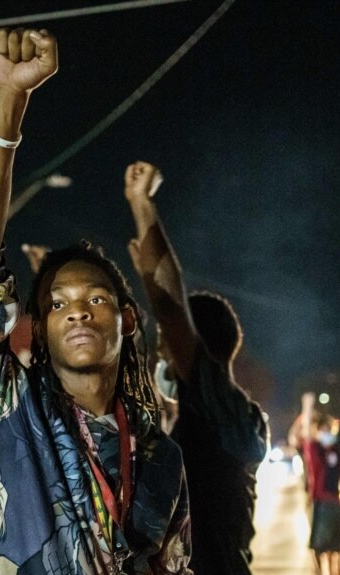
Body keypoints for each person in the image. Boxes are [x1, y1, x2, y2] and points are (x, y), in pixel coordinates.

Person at [0, 28, 192, 574]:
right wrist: (8, 102)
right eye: (57, 304)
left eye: (96, 297)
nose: (78, 309)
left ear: (127, 319)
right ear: (41, 328)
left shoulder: (160, 457)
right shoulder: (9, 411)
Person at [121, 161, 267, 574]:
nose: (163, 353)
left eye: (168, 344)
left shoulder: (216, 402)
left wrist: (142, 204)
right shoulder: (225, 411)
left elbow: (169, 306)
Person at [297, 393, 340, 575]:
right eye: (324, 429)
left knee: (336, 544)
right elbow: (305, 433)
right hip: (320, 501)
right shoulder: (315, 450)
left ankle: (336, 570)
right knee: (319, 544)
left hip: (335, 501)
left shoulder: (338, 451)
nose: (327, 433)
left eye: (330, 429)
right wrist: (307, 407)